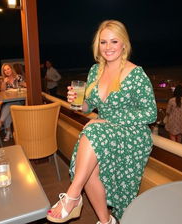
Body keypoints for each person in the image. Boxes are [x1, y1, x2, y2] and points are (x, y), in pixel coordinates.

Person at [47, 20, 157, 223]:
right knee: (87, 170)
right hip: (104, 131)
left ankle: (72, 196)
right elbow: (90, 105)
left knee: (92, 132)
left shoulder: (136, 74)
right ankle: (106, 221)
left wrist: (106, 121)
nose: (108, 47)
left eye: (114, 41)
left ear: (124, 44)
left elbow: (151, 113)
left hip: (132, 134)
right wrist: (78, 104)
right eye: (103, 42)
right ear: (97, 45)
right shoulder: (95, 71)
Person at [0, 63, 26, 141]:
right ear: (3, 72)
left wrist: (23, 84)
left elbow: (26, 85)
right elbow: (2, 91)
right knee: (9, 108)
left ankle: (1, 122)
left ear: (11, 69)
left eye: (8, 69)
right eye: (5, 70)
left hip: (19, 101)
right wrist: (4, 82)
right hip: (9, 102)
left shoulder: (18, 77)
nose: (7, 71)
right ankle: (8, 131)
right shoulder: (4, 80)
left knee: (8, 106)